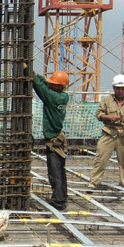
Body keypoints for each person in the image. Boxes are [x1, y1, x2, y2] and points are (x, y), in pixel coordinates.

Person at [26, 62, 70, 211]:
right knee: (61, 170)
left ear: (59, 86)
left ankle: (58, 201)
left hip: (54, 141)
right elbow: (45, 84)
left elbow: (40, 87)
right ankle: (62, 196)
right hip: (59, 139)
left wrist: (28, 71)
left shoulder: (53, 98)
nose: (51, 85)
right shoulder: (63, 96)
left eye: (53, 83)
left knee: (55, 172)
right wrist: (36, 74)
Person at [87, 74, 124, 189]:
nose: (120, 91)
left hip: (123, 134)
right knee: (101, 158)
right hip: (109, 133)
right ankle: (94, 183)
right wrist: (110, 118)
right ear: (114, 88)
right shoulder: (106, 100)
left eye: (123, 88)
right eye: (118, 88)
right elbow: (99, 114)